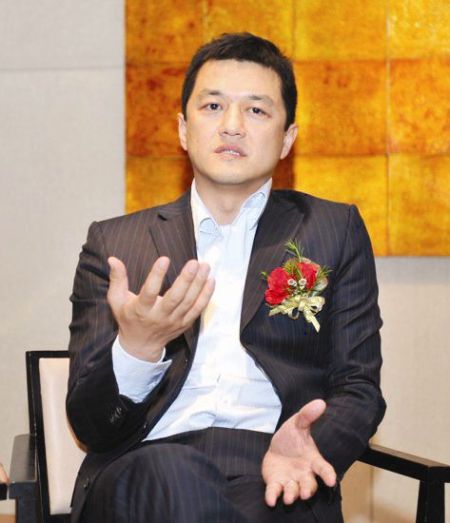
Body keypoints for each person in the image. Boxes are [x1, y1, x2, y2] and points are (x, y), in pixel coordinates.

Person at [67, 33, 385, 523]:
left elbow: (358, 386)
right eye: (213, 106)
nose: (232, 126)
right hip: (145, 468)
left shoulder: (333, 230)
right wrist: (137, 349)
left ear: (287, 139)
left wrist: (312, 446)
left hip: (276, 471)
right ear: (183, 129)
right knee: (175, 476)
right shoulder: (115, 245)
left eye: (256, 110)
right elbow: (92, 425)